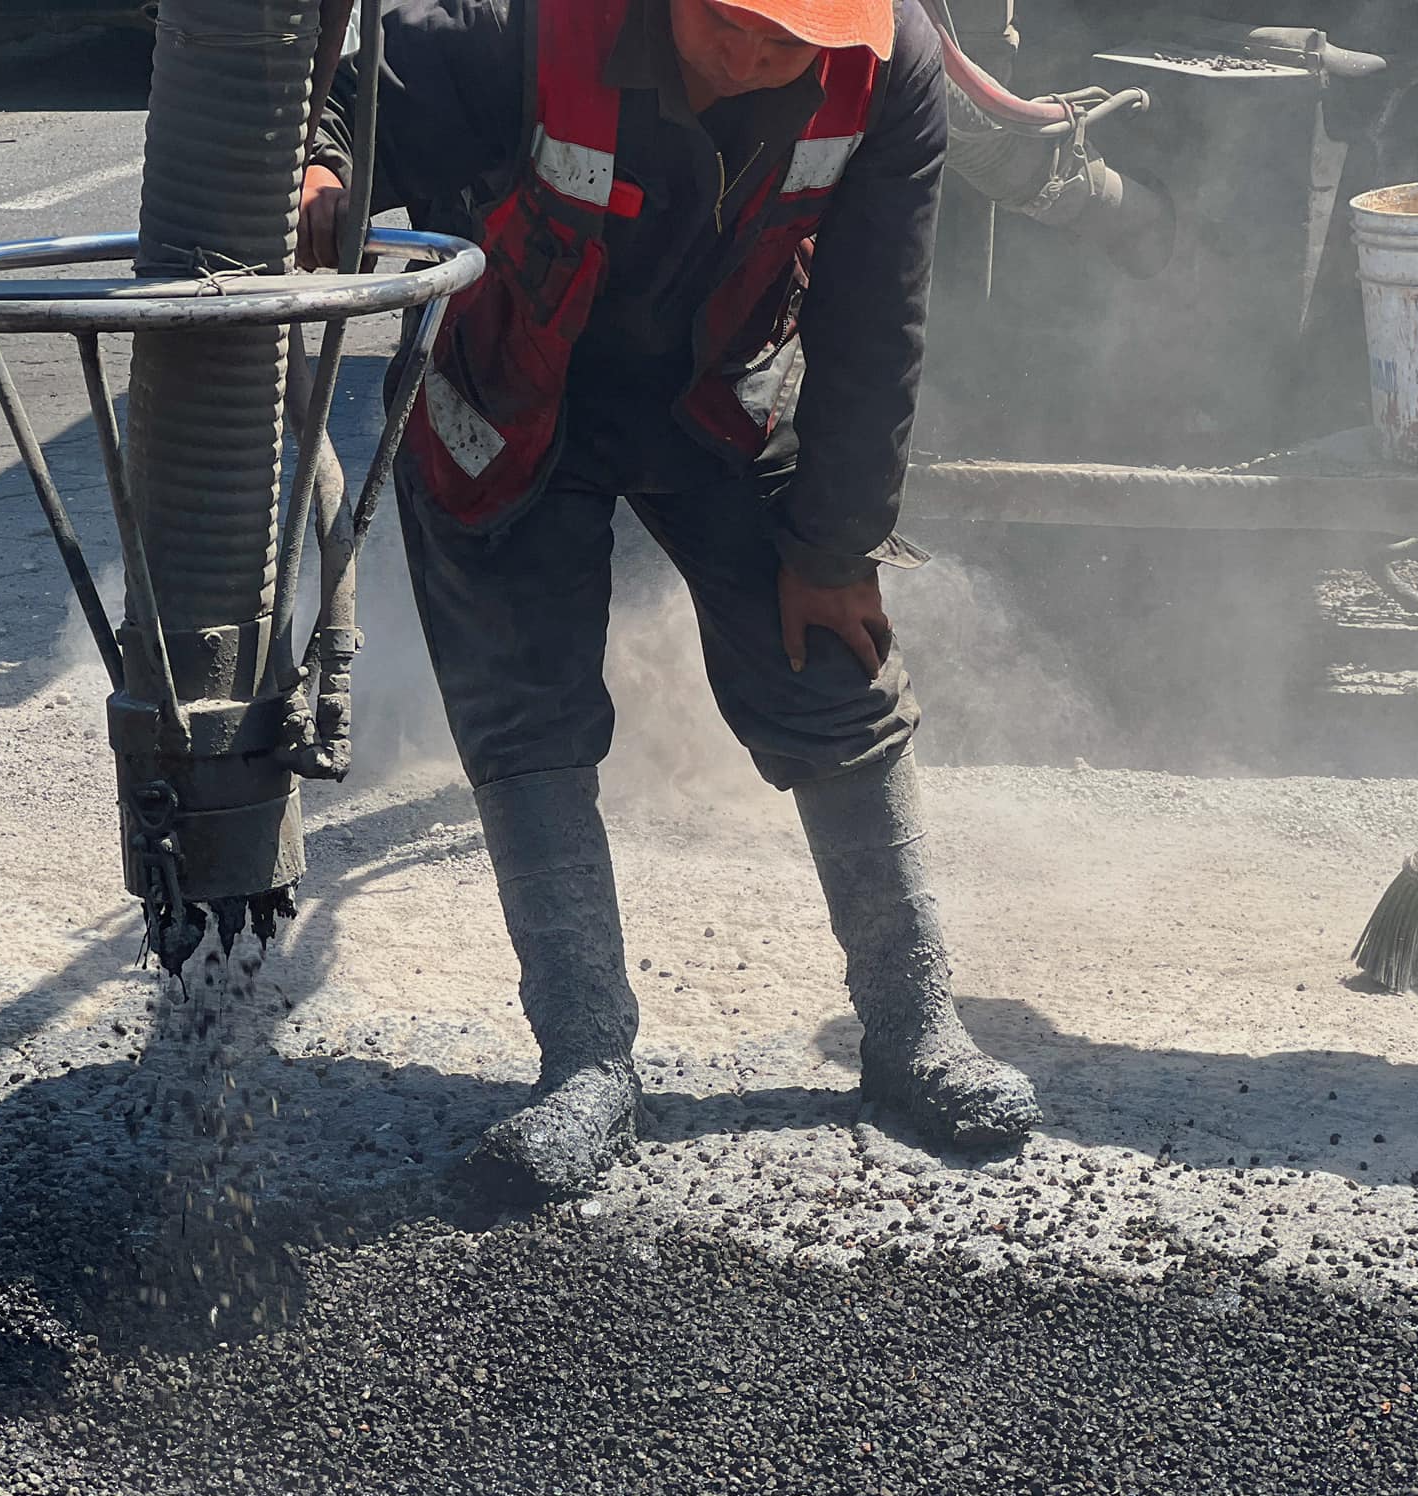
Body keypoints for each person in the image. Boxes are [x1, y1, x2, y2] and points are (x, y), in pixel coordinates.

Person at [301, 0, 1042, 1196]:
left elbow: (872, 319)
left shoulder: (887, 67)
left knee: (830, 669)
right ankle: (586, 1061)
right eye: (725, 24)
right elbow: (349, 96)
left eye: (785, 42)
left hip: (719, 394)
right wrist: (319, 169)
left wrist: (836, 546)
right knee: (522, 712)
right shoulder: (522, 23)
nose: (750, 59)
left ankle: (912, 1033)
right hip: (509, 391)